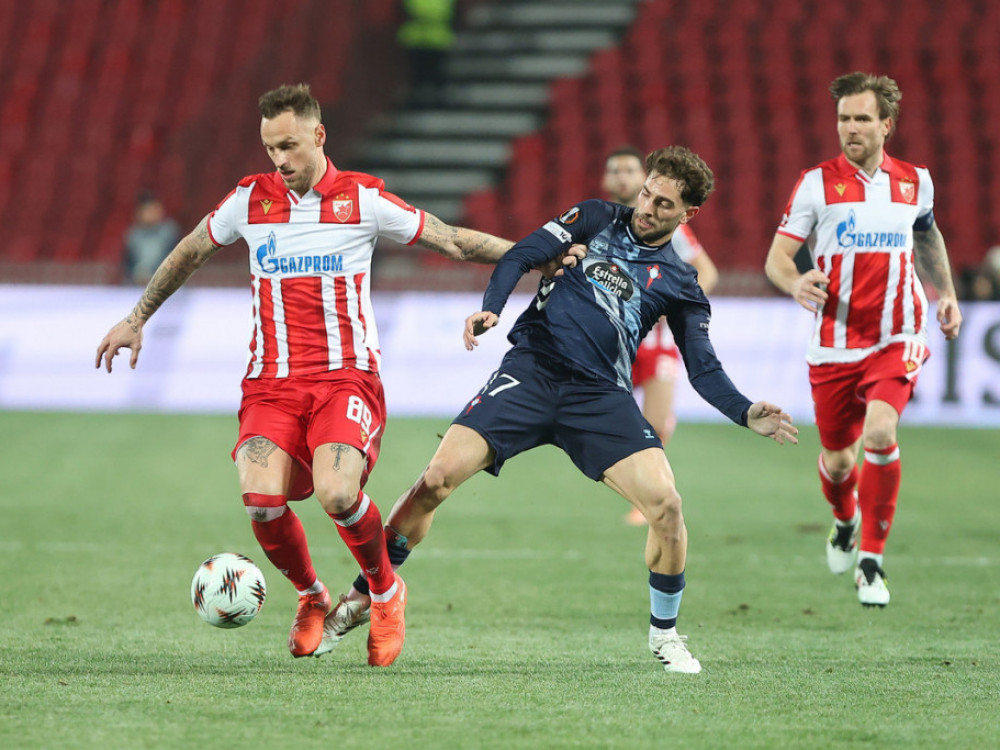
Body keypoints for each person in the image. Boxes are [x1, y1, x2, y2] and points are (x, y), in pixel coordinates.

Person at [95, 83, 572, 667]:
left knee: (338, 492)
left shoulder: (362, 199)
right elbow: (191, 250)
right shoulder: (248, 200)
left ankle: (385, 592)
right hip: (271, 383)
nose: (279, 159)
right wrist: (136, 318)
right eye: (270, 148)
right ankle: (312, 595)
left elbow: (451, 240)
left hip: (345, 379)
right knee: (260, 503)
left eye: (289, 146)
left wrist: (536, 257)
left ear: (319, 136)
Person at [316, 146, 799, 674]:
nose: (647, 207)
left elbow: (703, 368)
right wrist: (492, 309)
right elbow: (521, 255)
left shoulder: (680, 282)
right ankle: (366, 595)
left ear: (689, 214)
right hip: (531, 372)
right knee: (435, 480)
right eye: (646, 194)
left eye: (663, 204)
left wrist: (744, 411)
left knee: (666, 506)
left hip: (600, 397)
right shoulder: (593, 217)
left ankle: (665, 634)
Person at [764, 72, 963, 607]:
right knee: (838, 463)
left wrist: (946, 292)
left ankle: (871, 563)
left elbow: (927, 234)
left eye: (861, 119)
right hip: (834, 343)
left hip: (898, 333)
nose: (849, 128)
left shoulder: (915, 181)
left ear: (886, 125)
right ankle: (845, 519)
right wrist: (795, 281)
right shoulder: (816, 184)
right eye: (843, 119)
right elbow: (777, 258)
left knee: (879, 433)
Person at [603, 146, 720, 526]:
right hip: (610, 341)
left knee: (652, 425)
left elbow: (706, 272)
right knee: (606, 427)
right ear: (606, 180)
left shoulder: (672, 227)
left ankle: (645, 501)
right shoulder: (599, 222)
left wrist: (677, 304)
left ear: (643, 179)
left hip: (655, 342)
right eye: (615, 170)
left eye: (629, 170)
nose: (622, 177)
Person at [122, 191, 180, 286]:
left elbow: (174, 259)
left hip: (165, 282)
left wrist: (155, 275)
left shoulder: (169, 232)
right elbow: (128, 264)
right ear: (139, 213)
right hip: (137, 284)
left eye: (155, 209)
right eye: (148, 210)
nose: (153, 213)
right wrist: (137, 275)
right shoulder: (133, 236)